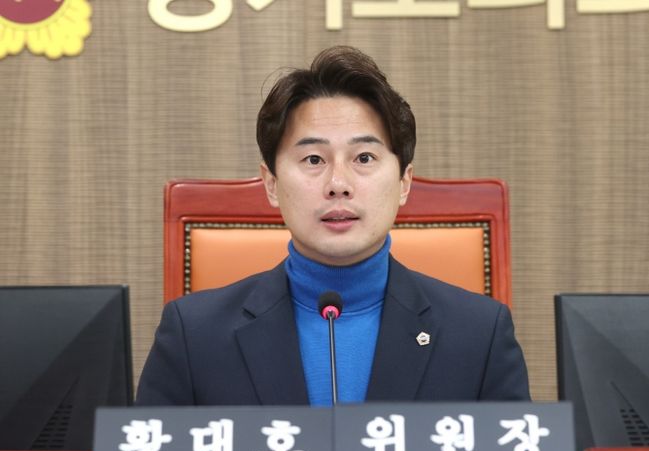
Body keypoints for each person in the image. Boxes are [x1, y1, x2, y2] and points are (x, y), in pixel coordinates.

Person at [136, 46, 530, 406]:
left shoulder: (480, 335)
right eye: (313, 160)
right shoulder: (194, 335)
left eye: (363, 158)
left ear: (404, 182)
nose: (338, 184)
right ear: (271, 184)